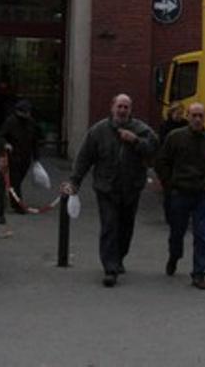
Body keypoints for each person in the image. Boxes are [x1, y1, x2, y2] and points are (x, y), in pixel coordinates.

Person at [61, 93, 158, 287]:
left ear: (131, 110)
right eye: (119, 106)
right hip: (106, 188)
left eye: (126, 107)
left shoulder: (141, 129)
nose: (122, 110)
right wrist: (74, 182)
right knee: (110, 226)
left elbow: (154, 149)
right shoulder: (98, 131)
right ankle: (110, 269)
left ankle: (119, 257)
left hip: (131, 187)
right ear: (112, 107)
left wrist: (136, 141)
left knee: (125, 228)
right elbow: (84, 158)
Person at [155, 102, 205, 290]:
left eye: (200, 116)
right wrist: (169, 185)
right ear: (187, 116)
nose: (197, 119)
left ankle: (199, 273)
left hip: (200, 194)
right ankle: (174, 255)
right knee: (177, 232)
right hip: (179, 193)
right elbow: (162, 162)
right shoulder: (175, 138)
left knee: (202, 235)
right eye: (194, 115)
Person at [0, 99, 42, 212]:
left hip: (26, 157)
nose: (27, 114)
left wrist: (36, 158)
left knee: (18, 180)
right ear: (19, 111)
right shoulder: (10, 122)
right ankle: (18, 205)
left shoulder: (31, 122)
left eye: (28, 112)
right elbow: (1, 136)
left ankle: (12, 197)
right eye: (25, 112)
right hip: (13, 156)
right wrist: (6, 144)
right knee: (15, 181)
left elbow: (34, 141)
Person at [158, 102, 189, 222]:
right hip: (170, 163)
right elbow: (163, 144)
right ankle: (170, 215)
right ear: (171, 113)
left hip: (183, 162)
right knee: (169, 191)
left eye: (181, 113)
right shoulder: (166, 126)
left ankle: (181, 214)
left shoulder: (185, 124)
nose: (179, 116)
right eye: (177, 113)